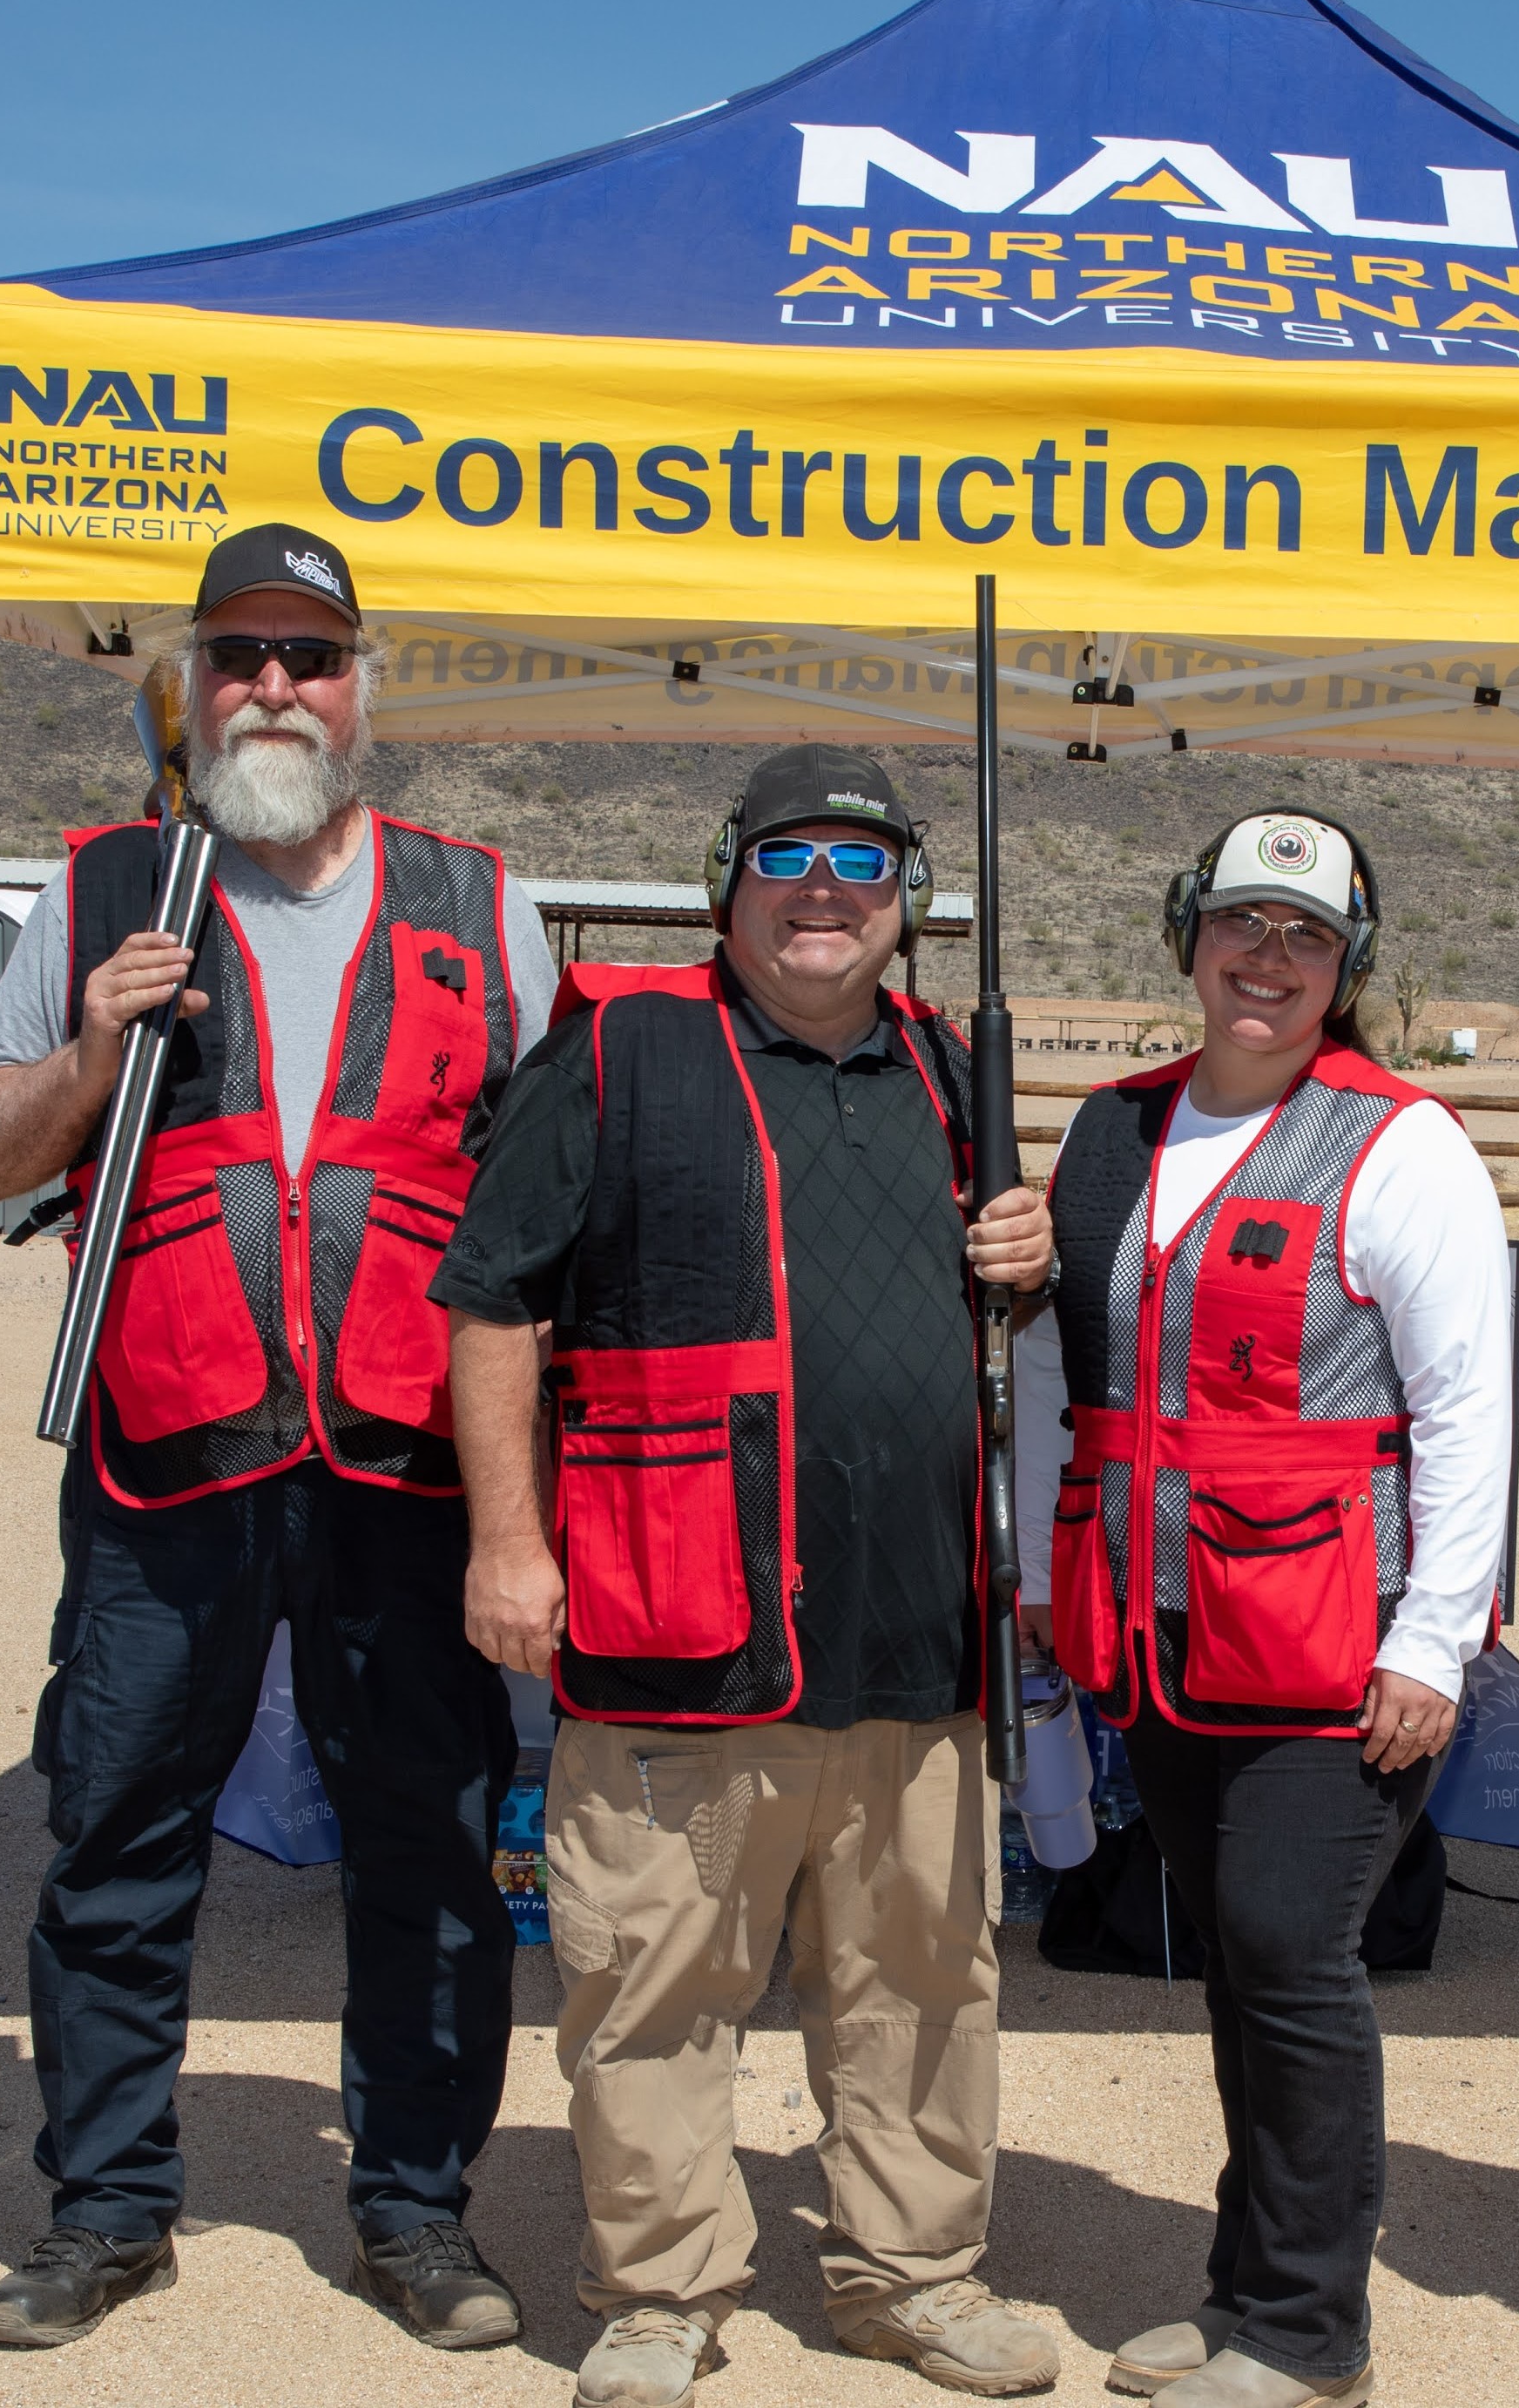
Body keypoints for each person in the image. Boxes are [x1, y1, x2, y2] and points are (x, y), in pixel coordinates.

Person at [0, 522, 558, 2355]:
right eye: (240, 655)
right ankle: (109, 2206)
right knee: (118, 1839)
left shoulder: (481, 903)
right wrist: (86, 1051)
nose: (273, 687)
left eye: (310, 655)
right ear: (193, 682)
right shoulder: (100, 891)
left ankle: (414, 2213)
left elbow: (546, 1205)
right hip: (167, 1462)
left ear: (367, 685)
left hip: (402, 1468)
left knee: (428, 1849)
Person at [430, 746, 1060, 2408]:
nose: (825, 891)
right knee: (648, 1985)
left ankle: (912, 2275)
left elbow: (1012, 1340)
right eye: (788, 856)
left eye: (864, 865)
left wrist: (1029, 1260)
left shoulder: (946, 1074)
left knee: (923, 1983)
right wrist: (509, 1539)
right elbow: (492, 1301)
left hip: (916, 1634)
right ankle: (658, 2293)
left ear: (906, 906)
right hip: (675, 1624)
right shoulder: (626, 1052)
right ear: (725, 878)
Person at [1016, 809, 1511, 2408]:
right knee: (1234, 1957)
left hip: (1327, 1643)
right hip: (1163, 1634)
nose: (1268, 959)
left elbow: (1463, 1411)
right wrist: (1041, 1572)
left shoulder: (1401, 1143)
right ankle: (1241, 2293)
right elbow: (1057, 1373)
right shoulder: (1111, 1132)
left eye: (1305, 938)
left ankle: (1308, 2332)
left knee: (1294, 1960)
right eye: (1241, 924)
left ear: (1346, 966)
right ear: (1188, 937)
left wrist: (1431, 1641)